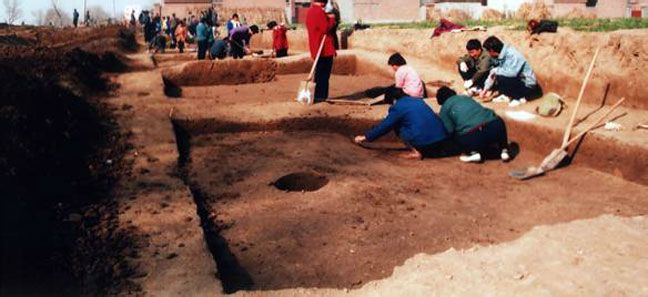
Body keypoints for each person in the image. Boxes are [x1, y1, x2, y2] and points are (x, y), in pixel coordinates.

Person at [354, 88, 453, 160]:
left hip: (425, 143)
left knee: (397, 125)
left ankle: (416, 152)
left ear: (393, 100)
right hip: (441, 140)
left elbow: (385, 126)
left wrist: (365, 137)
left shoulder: (398, 107)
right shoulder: (418, 101)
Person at [436, 86, 510, 163]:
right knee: (496, 120)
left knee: (456, 135)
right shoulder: (465, 97)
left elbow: (449, 130)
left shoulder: (444, 108)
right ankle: (504, 150)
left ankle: (473, 152)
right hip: (496, 127)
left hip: (473, 136)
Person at [481, 36, 540, 107]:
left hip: (528, 86)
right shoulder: (500, 55)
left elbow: (512, 73)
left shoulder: (512, 55)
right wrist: (485, 89)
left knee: (501, 76)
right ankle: (507, 95)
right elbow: (492, 73)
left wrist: (496, 71)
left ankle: (518, 98)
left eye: (487, 51)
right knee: (498, 73)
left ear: (491, 50)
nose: (487, 53)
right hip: (518, 80)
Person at [306, 0, 337, 102]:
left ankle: (318, 96)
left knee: (319, 73)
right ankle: (320, 96)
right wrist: (332, 19)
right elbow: (325, 28)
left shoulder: (310, 11)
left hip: (316, 47)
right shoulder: (319, 12)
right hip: (323, 49)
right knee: (323, 75)